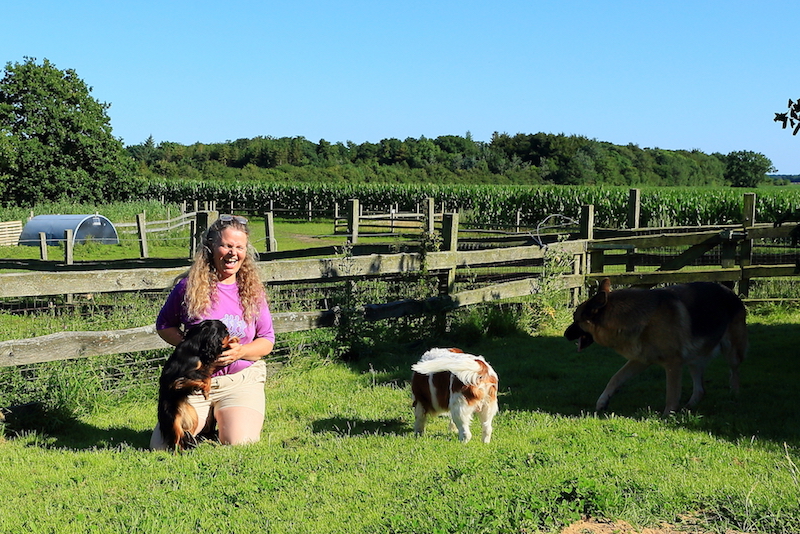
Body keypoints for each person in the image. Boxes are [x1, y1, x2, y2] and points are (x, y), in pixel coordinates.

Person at [150, 214, 275, 449]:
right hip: (192, 383)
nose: (232, 253)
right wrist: (190, 351)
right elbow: (164, 325)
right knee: (163, 446)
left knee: (240, 442)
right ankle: (205, 421)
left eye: (239, 247)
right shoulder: (187, 287)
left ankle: (222, 417)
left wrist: (241, 351)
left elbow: (267, 340)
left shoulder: (253, 291)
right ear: (211, 247)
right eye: (226, 245)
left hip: (240, 379)